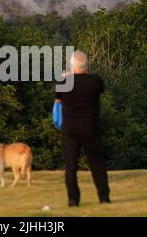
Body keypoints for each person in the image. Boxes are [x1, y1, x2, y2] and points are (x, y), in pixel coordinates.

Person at [55, 50, 110, 206]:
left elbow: (58, 102)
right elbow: (100, 89)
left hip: (70, 128)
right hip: (90, 127)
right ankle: (103, 196)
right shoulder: (95, 80)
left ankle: (73, 199)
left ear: (71, 66)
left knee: (71, 165)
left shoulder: (64, 82)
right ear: (86, 65)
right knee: (97, 163)